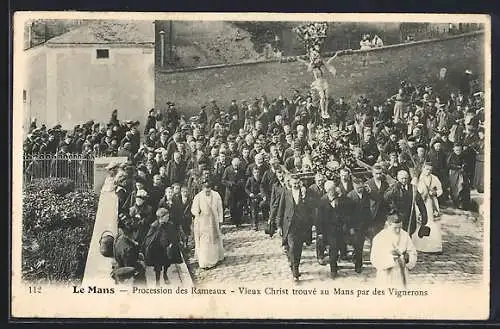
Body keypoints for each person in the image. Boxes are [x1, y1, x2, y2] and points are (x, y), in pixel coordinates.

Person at [277, 176, 311, 281]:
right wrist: (279, 225)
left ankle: (295, 264)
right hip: (290, 224)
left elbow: (310, 209)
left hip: (301, 225)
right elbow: (281, 209)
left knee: (299, 247)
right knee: (292, 247)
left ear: (300, 183)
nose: (295, 185)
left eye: (297, 183)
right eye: (294, 184)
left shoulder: (304, 193)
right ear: (290, 184)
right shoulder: (286, 193)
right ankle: (295, 269)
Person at [370, 214, 417, 288]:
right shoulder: (380, 237)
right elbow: (374, 259)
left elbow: (413, 252)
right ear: (388, 225)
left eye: (400, 227)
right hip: (386, 276)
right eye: (395, 228)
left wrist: (408, 259)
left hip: (402, 275)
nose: (398, 230)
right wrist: (391, 258)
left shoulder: (405, 235)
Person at [384, 170, 430, 238]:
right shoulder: (393, 188)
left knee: (408, 236)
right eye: (402, 178)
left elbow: (420, 203)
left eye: (406, 178)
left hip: (410, 217)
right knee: (397, 236)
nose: (404, 180)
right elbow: (386, 198)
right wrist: (394, 189)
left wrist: (424, 219)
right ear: (398, 178)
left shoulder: (413, 188)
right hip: (398, 217)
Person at [191, 179, 225, 269]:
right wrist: (197, 212)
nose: (207, 192)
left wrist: (220, 220)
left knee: (214, 239)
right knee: (204, 241)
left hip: (214, 221)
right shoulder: (198, 197)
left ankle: (215, 259)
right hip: (203, 222)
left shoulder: (216, 195)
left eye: (209, 190)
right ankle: (205, 262)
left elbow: (220, 208)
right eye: (206, 190)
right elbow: (193, 210)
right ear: (202, 188)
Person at [143, 208, 182, 286]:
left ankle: (165, 274)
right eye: (166, 217)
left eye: (168, 216)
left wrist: (172, 243)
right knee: (158, 266)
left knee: (167, 263)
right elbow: (149, 238)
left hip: (167, 249)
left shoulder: (170, 225)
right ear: (161, 217)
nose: (168, 218)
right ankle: (157, 281)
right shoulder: (154, 225)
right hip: (158, 250)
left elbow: (173, 236)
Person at [317, 181, 348, 278]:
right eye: (329, 190)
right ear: (326, 190)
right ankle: (333, 270)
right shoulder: (322, 201)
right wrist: (320, 232)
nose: (331, 191)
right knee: (333, 248)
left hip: (339, 229)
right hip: (328, 230)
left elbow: (345, 211)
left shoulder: (340, 199)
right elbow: (319, 218)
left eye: (333, 189)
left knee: (338, 247)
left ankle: (334, 263)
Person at [413, 162, 443, 253]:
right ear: (423, 168)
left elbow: (440, 190)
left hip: (431, 203)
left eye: (430, 170)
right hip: (420, 202)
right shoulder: (418, 178)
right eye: (426, 169)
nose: (428, 171)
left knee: (431, 222)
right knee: (420, 221)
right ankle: (419, 245)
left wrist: (435, 193)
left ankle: (432, 246)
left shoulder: (434, 178)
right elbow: (413, 189)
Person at [345, 177, 372, 273]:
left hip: (364, 225)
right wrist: (350, 227)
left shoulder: (366, 194)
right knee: (357, 246)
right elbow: (347, 215)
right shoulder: (350, 196)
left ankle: (357, 261)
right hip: (355, 226)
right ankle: (358, 265)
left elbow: (368, 209)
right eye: (358, 188)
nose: (360, 190)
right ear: (354, 186)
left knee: (360, 245)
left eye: (361, 187)